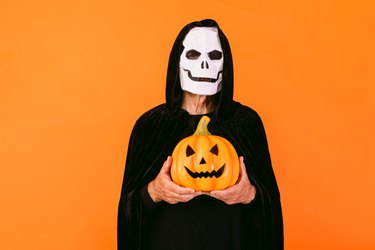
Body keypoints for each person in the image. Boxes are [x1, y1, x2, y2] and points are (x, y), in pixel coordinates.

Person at [118, 19, 283, 250]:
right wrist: (154, 191)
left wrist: (250, 194)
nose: (204, 65)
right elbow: (128, 208)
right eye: (194, 55)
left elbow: (270, 207)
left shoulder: (245, 123)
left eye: (214, 56)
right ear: (178, 62)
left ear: (226, 64)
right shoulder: (151, 126)